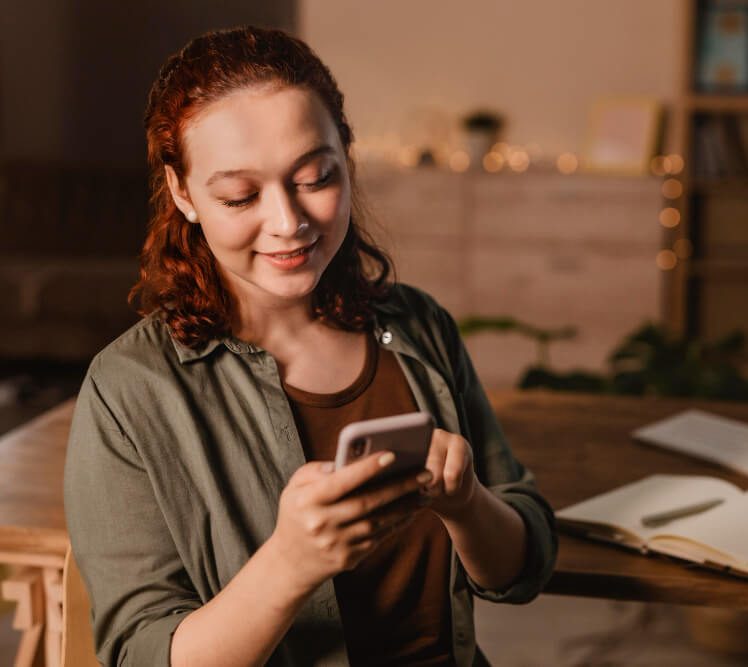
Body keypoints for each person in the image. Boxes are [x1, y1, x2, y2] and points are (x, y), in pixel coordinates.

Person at [63, 25, 557, 667]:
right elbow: (140, 654)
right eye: (240, 195)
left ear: (346, 160)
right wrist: (289, 565)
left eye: (315, 177)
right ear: (183, 192)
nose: (289, 222)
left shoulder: (418, 326)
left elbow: (526, 563)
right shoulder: (129, 390)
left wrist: (467, 503)